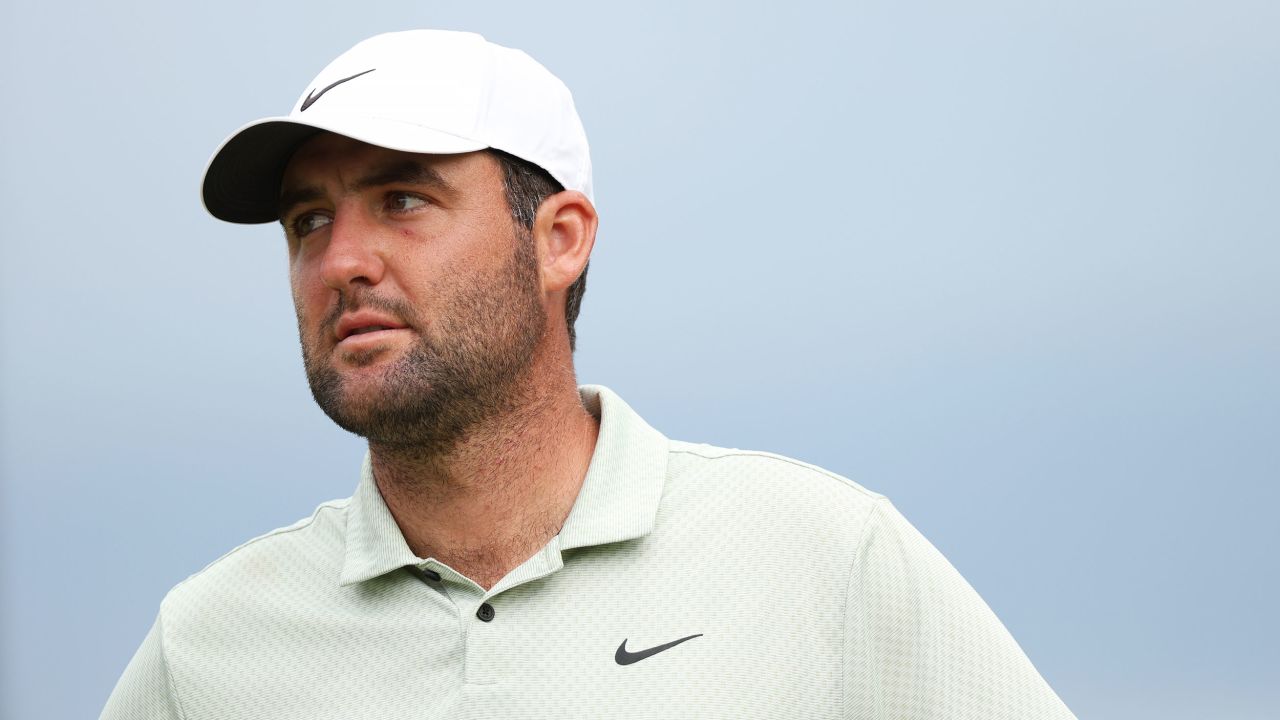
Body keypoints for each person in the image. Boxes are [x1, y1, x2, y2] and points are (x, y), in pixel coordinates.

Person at [102, 30, 1076, 719]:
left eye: (401, 199)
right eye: (308, 220)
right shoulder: (208, 648)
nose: (341, 259)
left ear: (558, 239)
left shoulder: (822, 560)